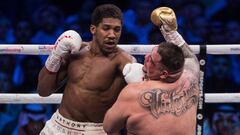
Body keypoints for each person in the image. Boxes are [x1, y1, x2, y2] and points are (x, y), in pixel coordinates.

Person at [37, 4, 144, 135]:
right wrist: (55, 55)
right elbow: (43, 91)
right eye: (106, 28)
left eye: (117, 30)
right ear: (93, 29)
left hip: (95, 130)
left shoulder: (124, 62)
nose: (112, 35)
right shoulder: (74, 52)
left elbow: (140, 105)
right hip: (58, 125)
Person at [103, 7, 200, 135]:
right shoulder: (191, 76)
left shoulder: (134, 92)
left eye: (152, 61)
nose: (145, 57)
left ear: (164, 74)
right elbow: (190, 57)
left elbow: (109, 127)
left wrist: (136, 85)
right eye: (150, 53)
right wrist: (171, 32)